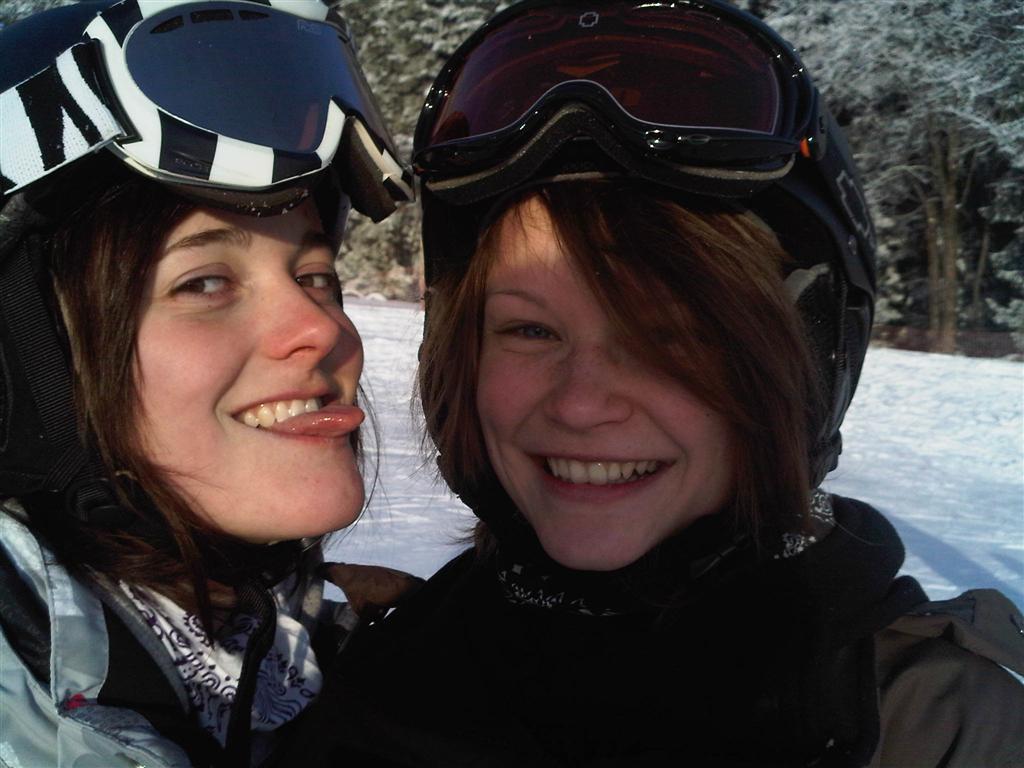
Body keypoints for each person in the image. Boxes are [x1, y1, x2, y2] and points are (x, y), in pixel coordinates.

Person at [288, 1, 1024, 767]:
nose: (581, 404)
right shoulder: (386, 682)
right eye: (530, 330)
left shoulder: (938, 730)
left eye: (669, 335)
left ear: (805, 359)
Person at [0, 2, 415, 766]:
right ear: (30, 364)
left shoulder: (318, 662)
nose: (322, 328)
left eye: (315, 276)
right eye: (205, 283)